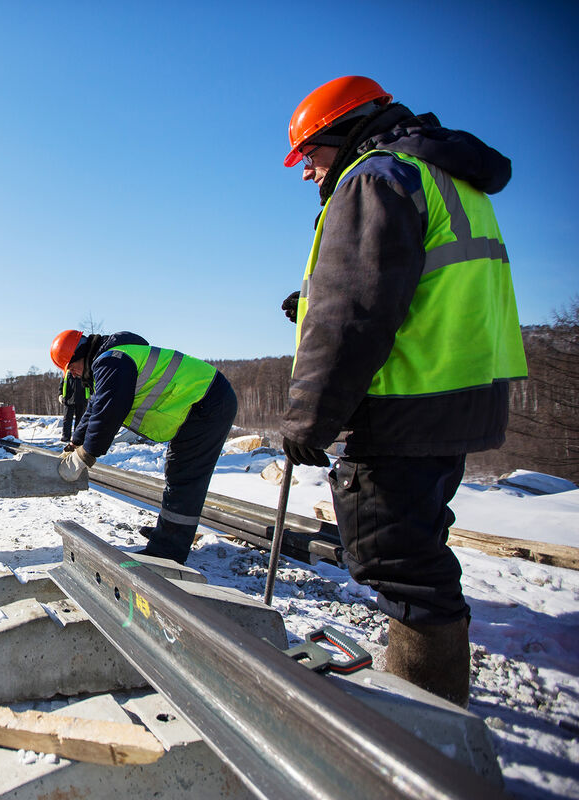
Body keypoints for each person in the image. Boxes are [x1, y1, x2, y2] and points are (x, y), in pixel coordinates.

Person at [278, 76, 527, 706]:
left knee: (401, 564)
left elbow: (352, 315)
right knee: (416, 551)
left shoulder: (374, 178)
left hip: (403, 408)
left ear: (343, 131)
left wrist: (309, 420)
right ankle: (432, 698)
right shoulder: (443, 175)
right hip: (454, 396)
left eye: (311, 154)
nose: (308, 172)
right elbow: (407, 288)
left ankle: (430, 733)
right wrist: (308, 302)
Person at [50, 329, 237, 565]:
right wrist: (75, 442)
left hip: (207, 403)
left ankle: (168, 553)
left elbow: (108, 411)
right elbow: (95, 406)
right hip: (200, 403)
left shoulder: (111, 362)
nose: (73, 375)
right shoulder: (110, 359)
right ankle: (168, 536)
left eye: (71, 367)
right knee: (177, 473)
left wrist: (84, 456)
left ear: (80, 354)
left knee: (185, 477)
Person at [57, 370, 88, 443]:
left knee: (80, 420)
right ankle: (65, 437)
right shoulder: (67, 372)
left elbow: (90, 385)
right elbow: (62, 384)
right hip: (69, 399)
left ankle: (77, 438)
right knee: (67, 419)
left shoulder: (84, 371)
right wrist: (60, 394)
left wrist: (91, 395)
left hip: (82, 399)